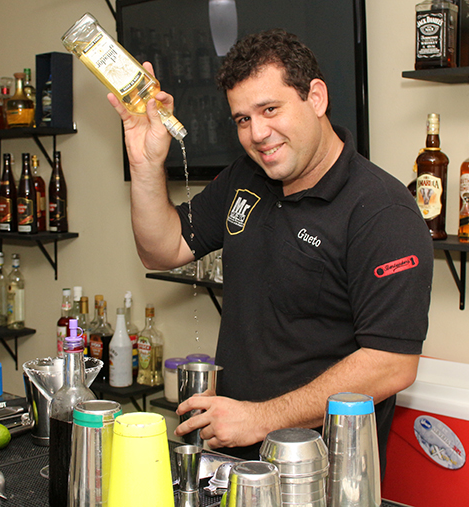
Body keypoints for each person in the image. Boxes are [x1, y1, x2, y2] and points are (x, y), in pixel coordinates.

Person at [107, 28, 433, 465]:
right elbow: (163, 250)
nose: (257, 133)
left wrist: (262, 418)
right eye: (243, 119)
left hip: (323, 472)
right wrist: (145, 163)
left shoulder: (382, 210)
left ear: (316, 98)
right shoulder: (245, 177)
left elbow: (392, 363)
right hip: (235, 458)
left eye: (270, 109)